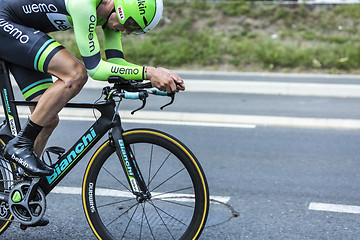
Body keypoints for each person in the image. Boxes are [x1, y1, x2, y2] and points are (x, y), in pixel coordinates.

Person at [0, 0, 185, 176]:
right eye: (132, 25)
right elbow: (95, 69)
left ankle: (19, 189)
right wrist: (150, 72)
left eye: (135, 31)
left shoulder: (111, 17)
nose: (128, 32)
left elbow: (115, 62)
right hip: (5, 21)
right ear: (122, 10)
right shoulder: (85, 4)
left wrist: (152, 77)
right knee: (75, 74)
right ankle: (20, 145)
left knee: (46, 118)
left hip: (23, 30)